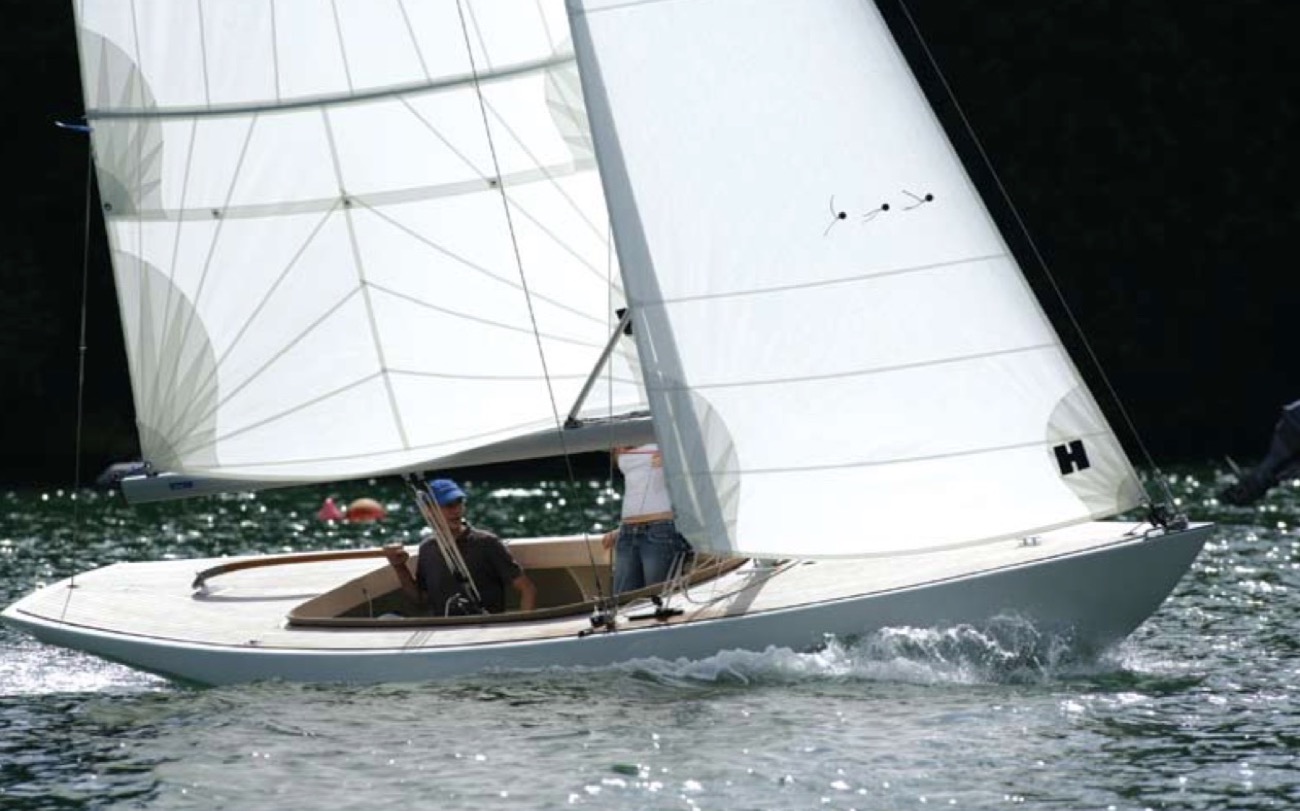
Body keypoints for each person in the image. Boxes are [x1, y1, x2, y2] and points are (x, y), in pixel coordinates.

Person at [384, 478, 536, 615]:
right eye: (448, 505)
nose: (456, 510)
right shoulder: (427, 549)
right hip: (446, 630)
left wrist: (520, 627)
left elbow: (527, 589)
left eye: (459, 502)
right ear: (429, 511)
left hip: (486, 627)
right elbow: (421, 600)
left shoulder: (486, 543)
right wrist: (399, 567)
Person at [602, 444, 693, 595]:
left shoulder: (664, 435)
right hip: (627, 532)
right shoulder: (620, 436)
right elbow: (637, 484)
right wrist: (620, 530)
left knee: (657, 597)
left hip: (660, 529)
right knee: (622, 599)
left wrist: (674, 462)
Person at [1219, 399, 1300, 506]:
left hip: (1292, 422)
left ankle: (1243, 491)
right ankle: (1242, 492)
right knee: (1270, 472)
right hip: (1293, 424)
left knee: (1270, 472)